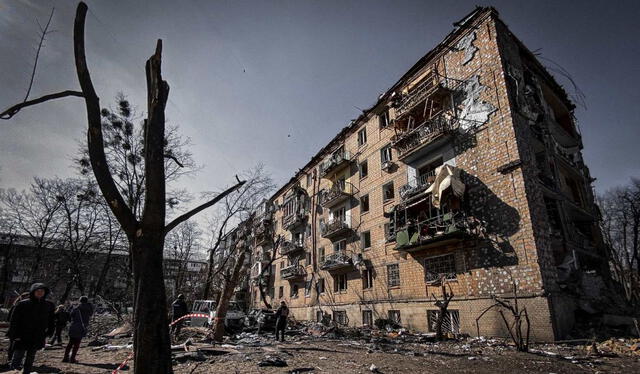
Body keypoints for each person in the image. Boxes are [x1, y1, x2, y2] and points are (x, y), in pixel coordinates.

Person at [8, 283, 55, 374]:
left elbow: (51, 320)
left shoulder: (48, 305)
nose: (40, 293)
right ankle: (14, 372)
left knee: (30, 359)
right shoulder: (23, 304)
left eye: (42, 291)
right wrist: (14, 334)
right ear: (33, 292)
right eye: (38, 291)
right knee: (17, 358)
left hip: (37, 336)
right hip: (22, 335)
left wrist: (49, 332)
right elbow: (14, 321)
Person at [63, 296, 93, 363]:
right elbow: (91, 314)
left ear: (80, 300)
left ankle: (65, 358)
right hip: (82, 326)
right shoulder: (89, 307)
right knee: (77, 343)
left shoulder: (76, 307)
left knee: (70, 343)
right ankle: (72, 358)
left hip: (73, 326)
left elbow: (70, 315)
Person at [6, 292, 30, 363]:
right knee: (13, 345)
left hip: (24, 330)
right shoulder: (17, 305)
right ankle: (10, 359)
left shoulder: (29, 307)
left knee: (20, 346)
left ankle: (16, 360)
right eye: (27, 297)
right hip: (15, 328)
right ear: (22, 297)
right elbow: (10, 318)